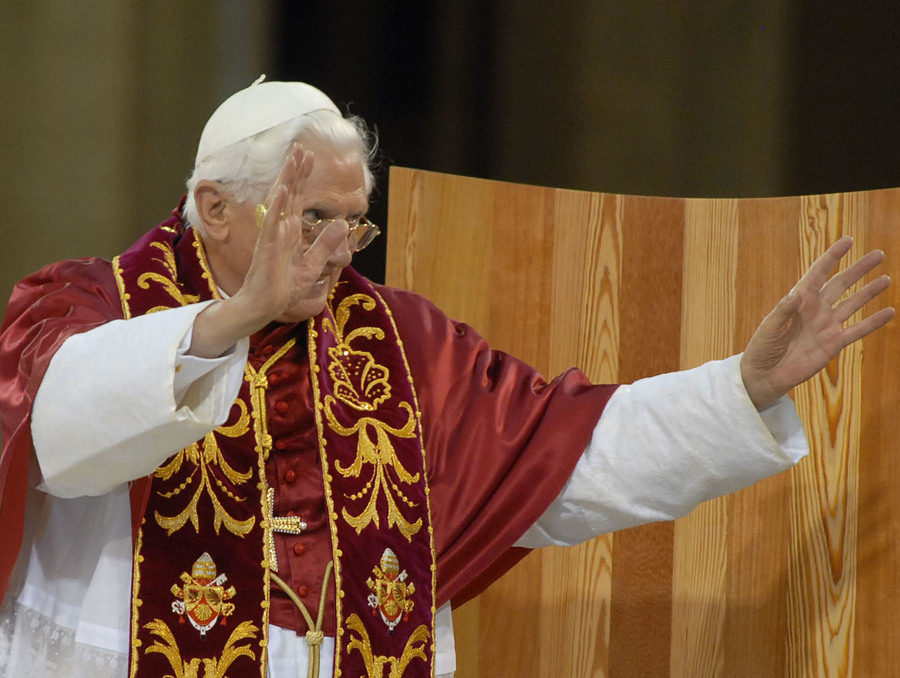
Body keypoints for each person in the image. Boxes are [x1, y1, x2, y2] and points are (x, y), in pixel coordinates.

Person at [0, 79, 892, 678]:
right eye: (313, 220)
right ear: (214, 208)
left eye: (355, 223)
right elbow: (61, 440)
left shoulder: (401, 341)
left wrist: (743, 387)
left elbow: (568, 453)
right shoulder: (87, 304)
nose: (340, 251)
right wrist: (231, 319)